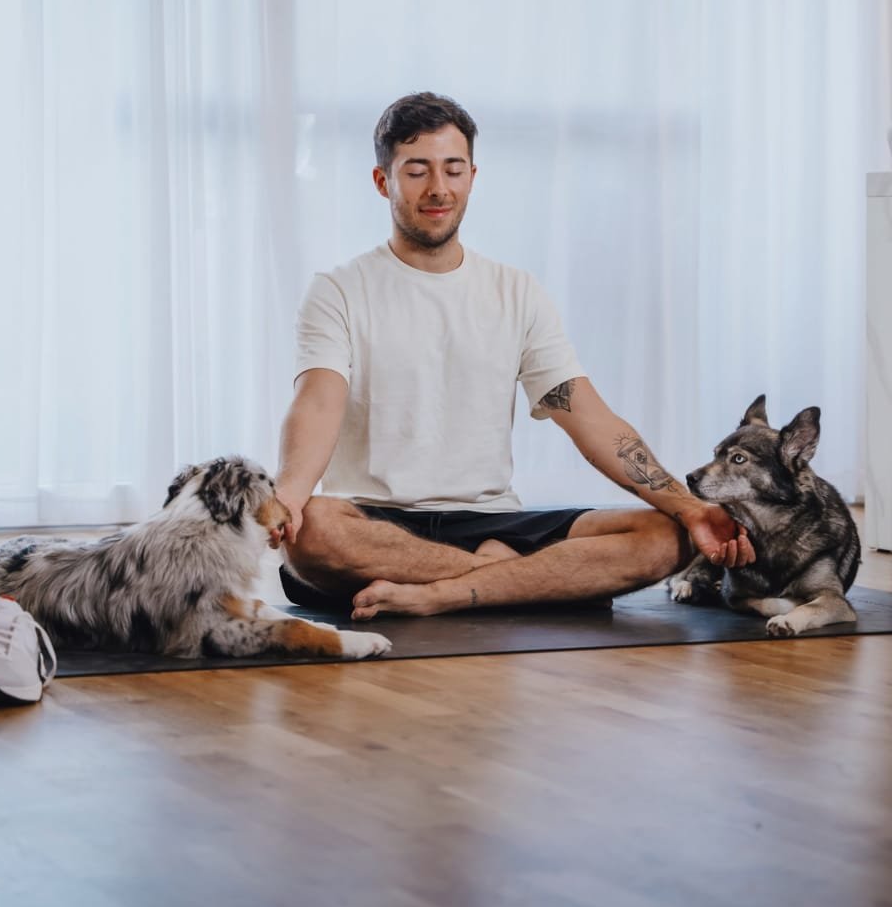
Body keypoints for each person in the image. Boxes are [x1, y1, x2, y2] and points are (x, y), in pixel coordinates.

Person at [269, 92, 753, 621]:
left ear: (472, 177)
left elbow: (591, 420)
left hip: (494, 520)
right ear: (384, 181)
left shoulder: (516, 291)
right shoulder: (338, 290)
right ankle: (524, 583)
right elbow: (317, 405)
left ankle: (440, 592)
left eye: (453, 170)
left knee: (665, 536)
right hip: (374, 520)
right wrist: (289, 496)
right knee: (313, 529)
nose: (438, 188)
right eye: (417, 171)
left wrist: (692, 509)